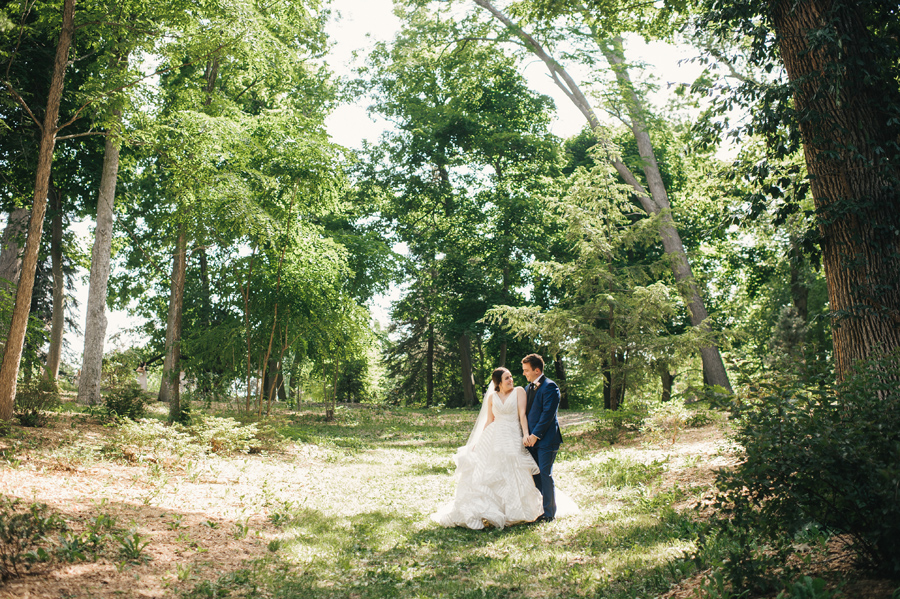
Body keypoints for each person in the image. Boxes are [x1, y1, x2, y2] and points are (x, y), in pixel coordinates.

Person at [431, 367, 544, 529]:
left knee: (512, 470)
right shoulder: (492, 397)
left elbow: (522, 415)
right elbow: (489, 420)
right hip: (493, 436)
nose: (511, 380)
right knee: (491, 471)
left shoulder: (519, 391)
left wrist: (526, 434)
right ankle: (490, 510)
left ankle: (515, 511)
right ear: (498, 382)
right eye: (507, 378)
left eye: (511, 377)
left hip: (512, 436)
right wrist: (479, 441)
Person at [522, 353, 563, 522]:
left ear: (537, 370)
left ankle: (549, 514)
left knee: (545, 474)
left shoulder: (550, 387)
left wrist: (535, 435)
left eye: (526, 370)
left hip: (546, 439)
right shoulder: (527, 388)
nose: (524, 373)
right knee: (536, 475)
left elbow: (547, 415)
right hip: (530, 441)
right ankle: (540, 509)